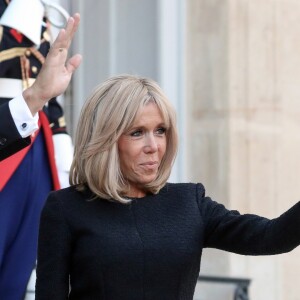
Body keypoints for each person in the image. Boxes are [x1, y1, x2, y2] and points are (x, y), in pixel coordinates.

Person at [34, 56, 300, 299]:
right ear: (106, 139)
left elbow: (272, 236)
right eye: (137, 132)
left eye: (160, 130)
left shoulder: (190, 202)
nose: (154, 145)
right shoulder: (65, 208)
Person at [0, 9, 81, 299]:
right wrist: (23, 15)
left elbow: (49, 93)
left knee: (19, 269)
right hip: (5, 136)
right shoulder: (25, 9)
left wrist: (62, 148)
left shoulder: (38, 11)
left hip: (36, 141)